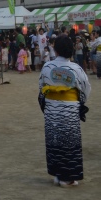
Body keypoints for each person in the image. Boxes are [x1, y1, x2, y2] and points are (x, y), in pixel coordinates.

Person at [38, 35, 91, 187]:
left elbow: (41, 88)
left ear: (55, 49)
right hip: (69, 110)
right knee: (69, 142)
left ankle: (57, 174)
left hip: (51, 109)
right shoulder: (76, 68)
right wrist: (79, 103)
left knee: (54, 140)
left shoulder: (47, 67)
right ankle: (67, 178)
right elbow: (85, 89)